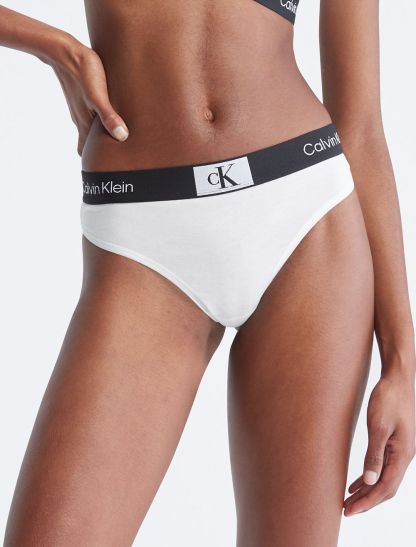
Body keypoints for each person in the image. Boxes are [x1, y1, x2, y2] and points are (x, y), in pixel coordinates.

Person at [1, 1, 415, 545]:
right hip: (142, 237)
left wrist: (402, 364)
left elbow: (360, 124)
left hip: (306, 220)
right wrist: (57, 48)